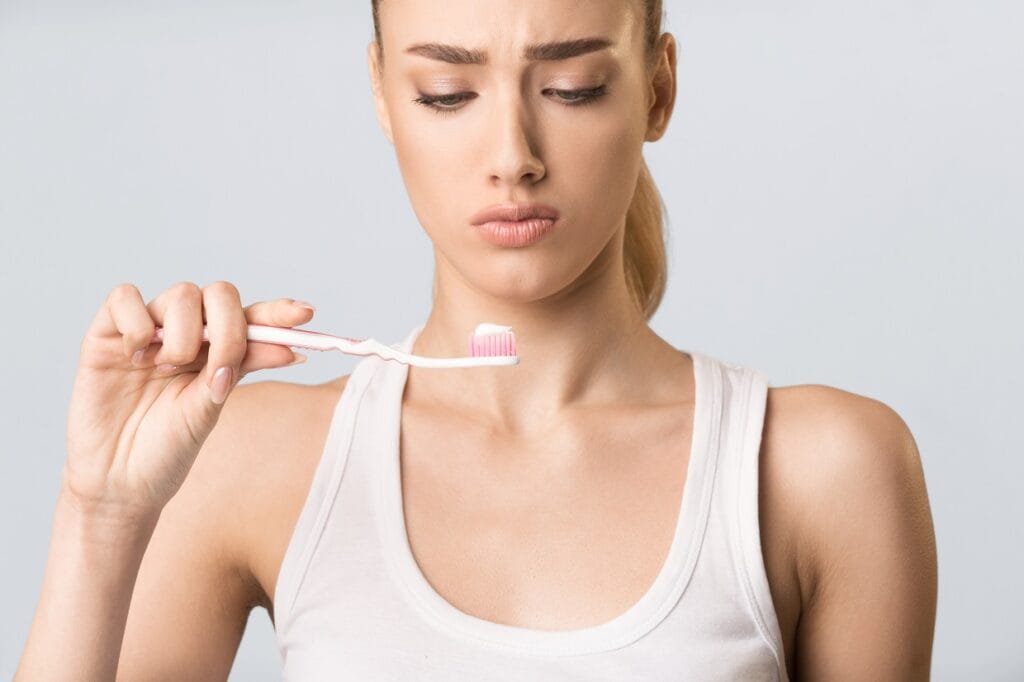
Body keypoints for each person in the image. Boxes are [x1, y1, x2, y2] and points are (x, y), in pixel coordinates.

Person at [15, 1, 938, 679]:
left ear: (658, 89)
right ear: (382, 93)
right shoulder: (250, 463)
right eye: (448, 93)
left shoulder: (824, 470)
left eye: (573, 87)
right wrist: (100, 513)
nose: (513, 154)